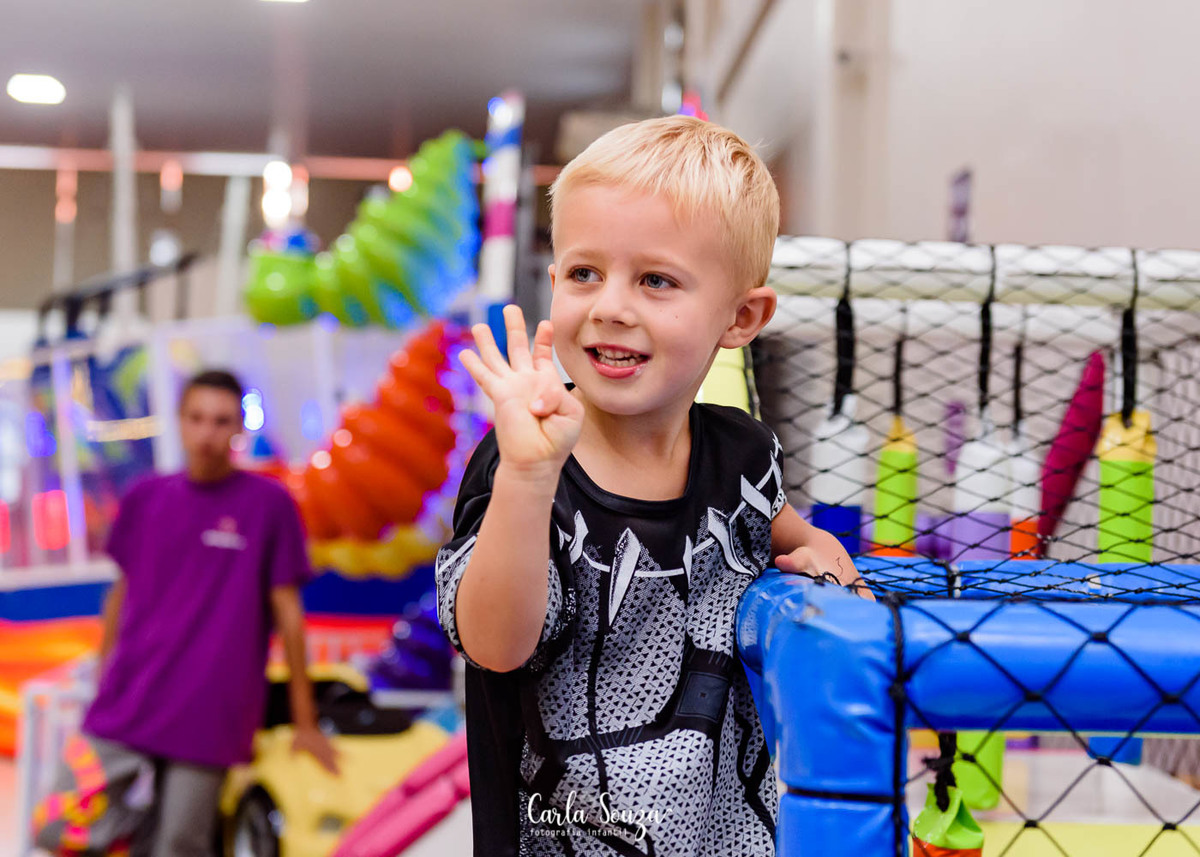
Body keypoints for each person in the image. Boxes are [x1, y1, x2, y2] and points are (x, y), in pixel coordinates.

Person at [435, 116, 867, 857]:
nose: (610, 306)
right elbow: (496, 645)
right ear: (554, 283)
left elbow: (803, 537)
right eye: (584, 273)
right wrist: (528, 479)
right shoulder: (524, 465)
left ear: (741, 316)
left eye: (655, 280)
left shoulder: (741, 454)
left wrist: (829, 573)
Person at [81, 369, 338, 857]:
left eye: (221, 421)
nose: (207, 433)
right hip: (132, 693)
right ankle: (145, 830)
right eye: (196, 418)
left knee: (180, 842)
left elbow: (289, 615)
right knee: (61, 821)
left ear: (239, 427)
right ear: (179, 421)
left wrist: (305, 722)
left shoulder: (269, 504)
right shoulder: (145, 497)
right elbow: (120, 592)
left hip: (211, 708)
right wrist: (103, 669)